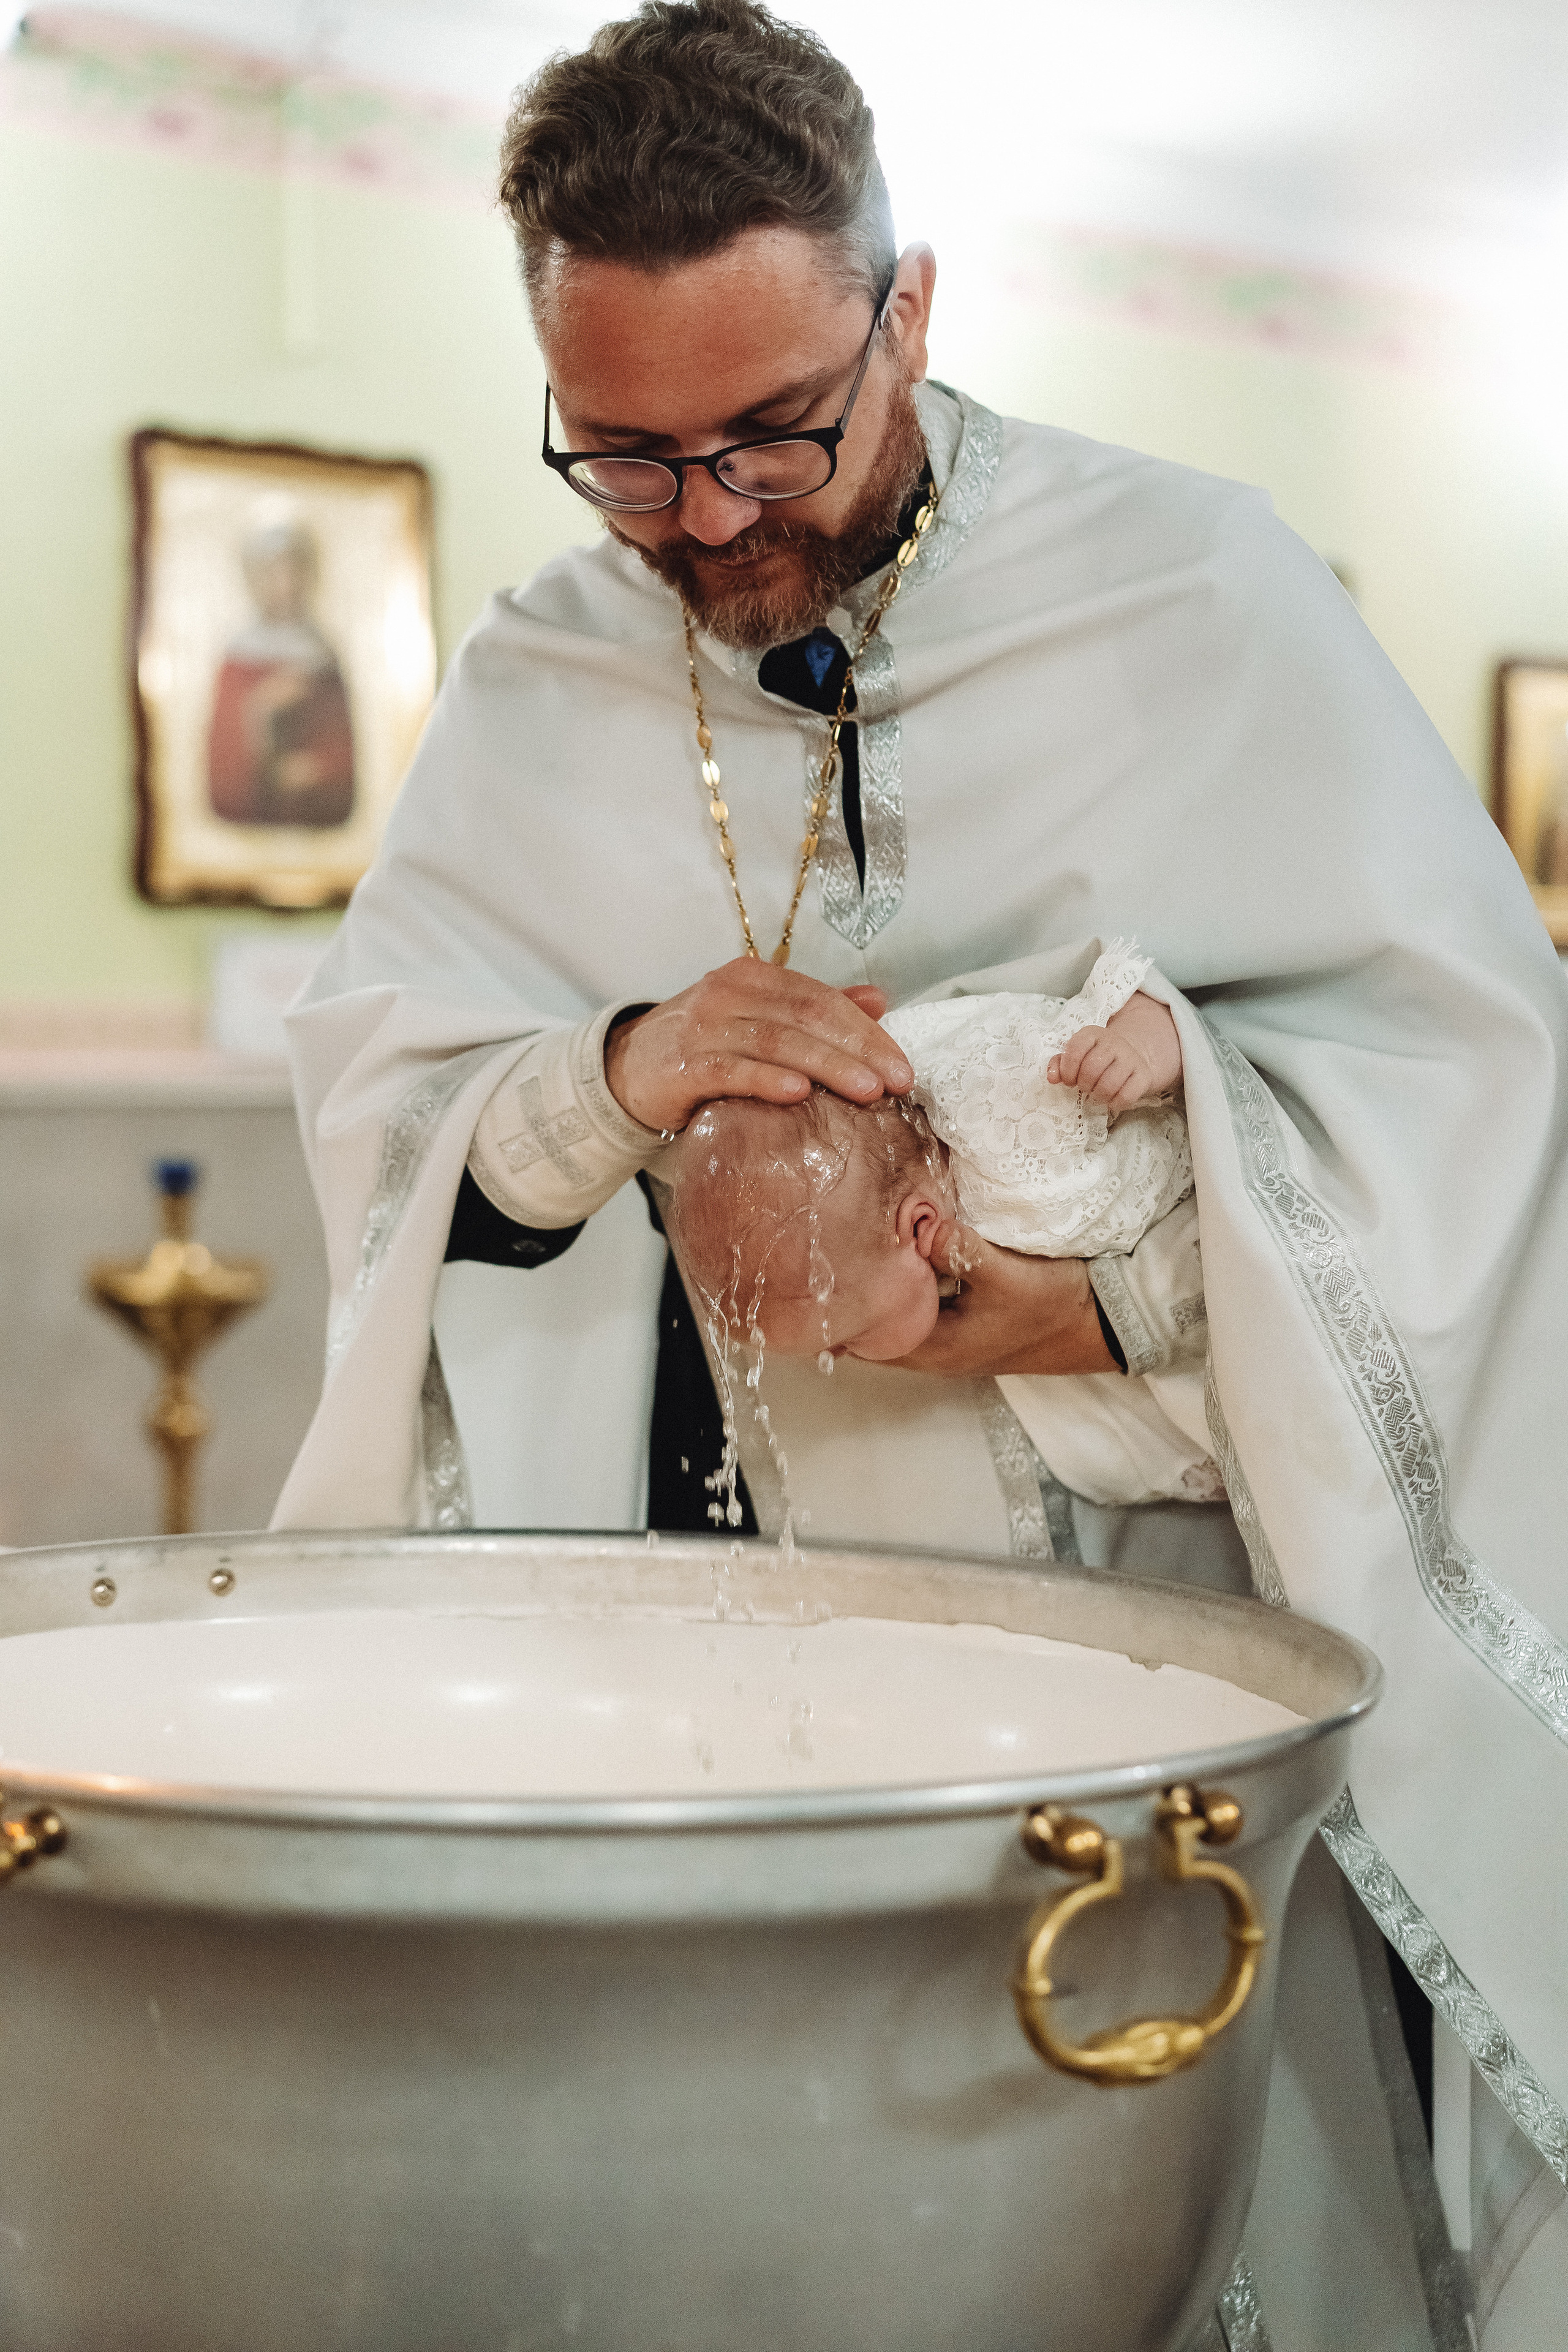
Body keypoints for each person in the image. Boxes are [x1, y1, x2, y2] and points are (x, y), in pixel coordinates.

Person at [274, 3, 1568, 2342]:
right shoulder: (534, 674)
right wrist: (616, 1070)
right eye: (627, 462)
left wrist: (1105, 1298)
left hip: (1135, 1634)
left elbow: (1472, 1098)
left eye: (777, 432)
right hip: (699, 1650)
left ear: (914, 307)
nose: (715, 523)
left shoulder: (1194, 590)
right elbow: (393, 1127)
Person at [661, 943, 1222, 1509]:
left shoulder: (1020, 1129)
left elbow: (1135, 992)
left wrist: (1138, 1054)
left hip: (1229, 1204)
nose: (833, 1359)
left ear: (920, 1227)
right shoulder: (893, 1178)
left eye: (844, 1336)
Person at [206, 517, 355, 827]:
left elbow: (343, 755)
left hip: (316, 822)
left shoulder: (324, 656)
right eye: (272, 573)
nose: (285, 585)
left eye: (295, 570)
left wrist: (317, 770)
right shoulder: (238, 658)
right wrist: (259, 707)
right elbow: (223, 772)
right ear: (253, 579)